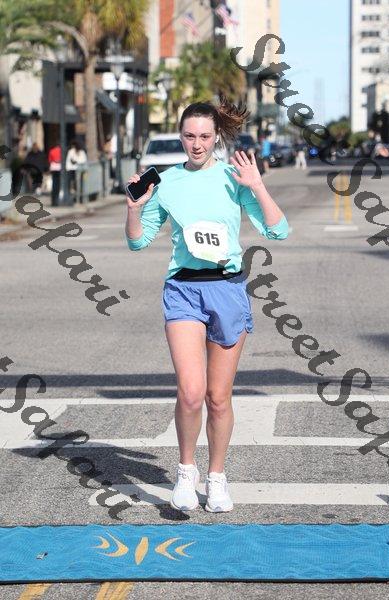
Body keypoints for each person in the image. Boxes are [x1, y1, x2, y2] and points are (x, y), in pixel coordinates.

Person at [125, 94, 289, 513]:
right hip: (183, 289)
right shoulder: (165, 182)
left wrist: (257, 186)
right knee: (191, 392)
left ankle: (217, 477)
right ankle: (186, 471)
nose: (196, 144)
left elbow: (278, 230)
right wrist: (134, 209)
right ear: (180, 136)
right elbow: (138, 241)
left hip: (227, 290)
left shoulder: (234, 178)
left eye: (203, 136)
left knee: (218, 397)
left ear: (217, 137)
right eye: (189, 136)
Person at [48, 141, 62, 206]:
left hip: (53, 167)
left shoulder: (51, 151)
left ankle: (53, 201)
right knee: (59, 184)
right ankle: (57, 200)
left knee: (54, 183)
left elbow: (50, 160)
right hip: (59, 167)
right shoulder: (61, 151)